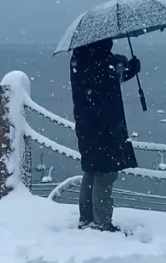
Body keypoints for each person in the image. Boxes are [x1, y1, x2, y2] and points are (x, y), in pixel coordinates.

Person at [69, 38, 141, 231]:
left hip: (90, 125)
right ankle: (101, 222)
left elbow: (108, 78)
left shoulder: (84, 57)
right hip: (102, 126)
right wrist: (116, 63)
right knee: (105, 172)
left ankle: (87, 218)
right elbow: (100, 77)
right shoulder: (92, 59)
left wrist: (129, 70)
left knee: (92, 169)